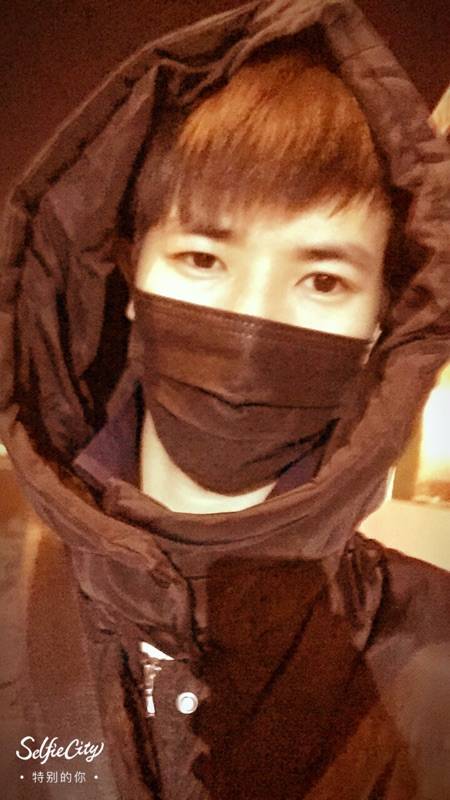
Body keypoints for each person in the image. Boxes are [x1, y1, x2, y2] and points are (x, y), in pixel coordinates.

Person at [0, 1, 449, 798]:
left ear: (382, 321)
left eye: (323, 280)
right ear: (132, 276)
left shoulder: (435, 653)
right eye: (204, 259)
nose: (253, 317)